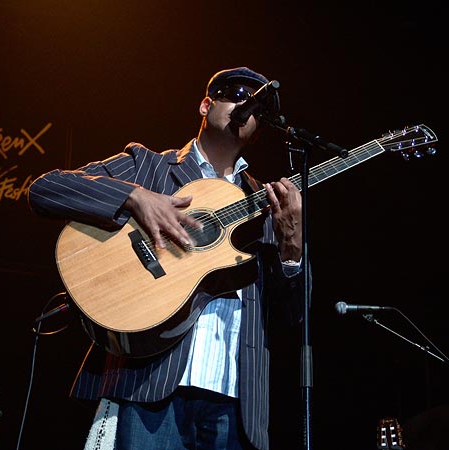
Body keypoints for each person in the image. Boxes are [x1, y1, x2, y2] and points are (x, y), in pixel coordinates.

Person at [27, 67, 306, 450]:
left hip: (235, 401)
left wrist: (292, 245)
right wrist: (134, 197)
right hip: (148, 386)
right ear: (206, 105)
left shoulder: (268, 204)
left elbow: (293, 318)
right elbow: (46, 189)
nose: (245, 104)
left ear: (259, 130)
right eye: (235, 93)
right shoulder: (150, 167)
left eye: (256, 105)